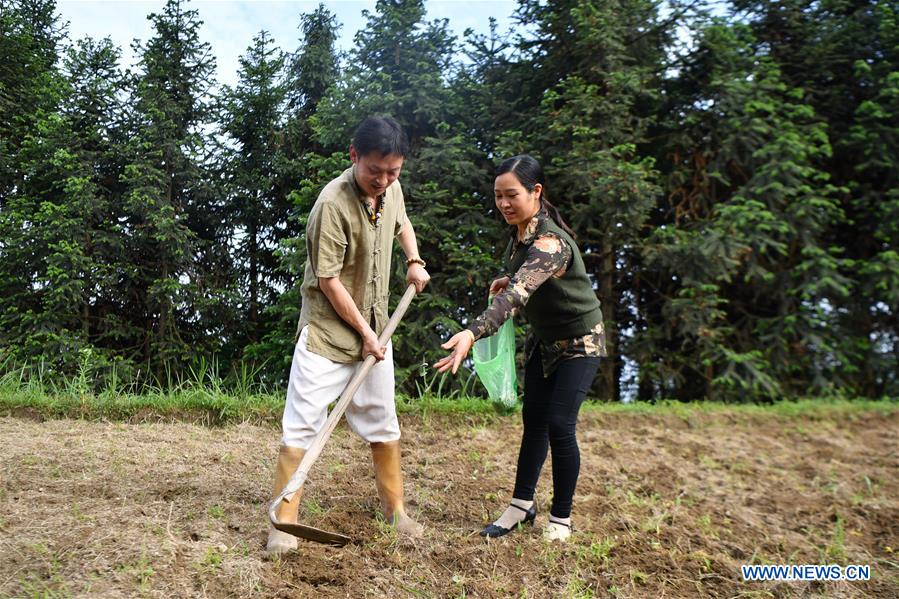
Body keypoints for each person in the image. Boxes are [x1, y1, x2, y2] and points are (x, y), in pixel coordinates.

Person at [267, 116, 430, 555]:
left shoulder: (390, 189)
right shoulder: (332, 205)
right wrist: (365, 335)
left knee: (384, 423)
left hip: (376, 329)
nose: (383, 180)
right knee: (301, 427)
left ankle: (396, 513)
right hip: (328, 336)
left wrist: (413, 260)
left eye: (393, 171)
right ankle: (283, 523)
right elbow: (328, 281)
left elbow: (402, 223)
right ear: (354, 156)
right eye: (374, 170)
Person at [434, 154, 606, 542]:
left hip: (581, 340)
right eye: (498, 196)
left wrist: (471, 333)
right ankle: (521, 506)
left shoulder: (549, 242)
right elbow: (520, 279)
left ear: (536, 191)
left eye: (511, 195)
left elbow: (519, 294)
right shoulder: (520, 233)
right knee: (534, 423)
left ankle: (560, 519)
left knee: (561, 425)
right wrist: (505, 277)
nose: (503, 204)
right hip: (544, 341)